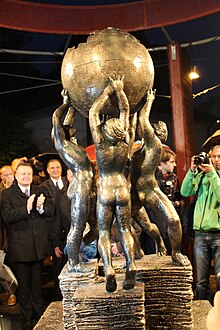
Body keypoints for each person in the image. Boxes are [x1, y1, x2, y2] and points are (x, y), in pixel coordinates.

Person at [130, 89, 189, 266]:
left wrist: (146, 103)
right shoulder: (141, 145)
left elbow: (141, 122)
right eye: (162, 131)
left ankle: (174, 252)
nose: (164, 134)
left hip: (150, 188)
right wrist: (145, 102)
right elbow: (138, 124)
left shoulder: (156, 146)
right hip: (134, 190)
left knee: (173, 219)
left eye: (164, 131)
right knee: (130, 225)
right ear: (155, 132)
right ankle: (139, 251)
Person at [89, 76, 136, 293]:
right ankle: (131, 264)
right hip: (122, 187)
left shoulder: (100, 143)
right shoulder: (125, 142)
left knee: (105, 233)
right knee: (125, 228)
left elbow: (93, 113)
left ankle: (109, 268)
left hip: (106, 188)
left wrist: (108, 91)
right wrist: (120, 91)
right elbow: (125, 110)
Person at [1, 162, 54, 330]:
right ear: (16, 176)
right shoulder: (7, 194)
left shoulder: (39, 190)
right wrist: (27, 207)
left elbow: (50, 211)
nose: (26, 176)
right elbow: (7, 216)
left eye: (29, 174)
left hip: (37, 248)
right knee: (24, 289)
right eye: (22, 174)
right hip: (20, 249)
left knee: (37, 287)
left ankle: (40, 317)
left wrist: (40, 208)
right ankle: (26, 320)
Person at [52, 92, 98, 272]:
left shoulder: (75, 147)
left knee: (95, 229)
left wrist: (72, 107)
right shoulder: (62, 145)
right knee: (77, 227)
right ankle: (73, 262)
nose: (73, 130)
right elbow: (57, 119)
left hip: (88, 188)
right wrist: (65, 103)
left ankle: (78, 249)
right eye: (69, 130)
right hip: (79, 188)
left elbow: (67, 124)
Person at [180, 144, 220, 302]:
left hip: (218, 235)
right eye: (214, 156)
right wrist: (191, 171)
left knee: (219, 279)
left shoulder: (211, 176)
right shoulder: (202, 175)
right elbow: (185, 191)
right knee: (201, 282)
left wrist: (212, 174)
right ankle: (203, 313)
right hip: (200, 235)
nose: (216, 160)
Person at [40, 159, 69, 298]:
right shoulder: (43, 187)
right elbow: (47, 212)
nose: (55, 169)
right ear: (47, 170)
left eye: (57, 167)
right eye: (52, 167)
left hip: (70, 229)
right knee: (58, 264)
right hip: (54, 231)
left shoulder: (69, 181)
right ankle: (59, 294)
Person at [0, 165, 17, 306]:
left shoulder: (18, 189)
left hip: (17, 233)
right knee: (4, 265)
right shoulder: (1, 192)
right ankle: (10, 293)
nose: (9, 177)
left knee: (16, 264)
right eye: (5, 175)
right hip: (3, 234)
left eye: (10, 173)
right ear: (1, 177)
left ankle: (17, 292)